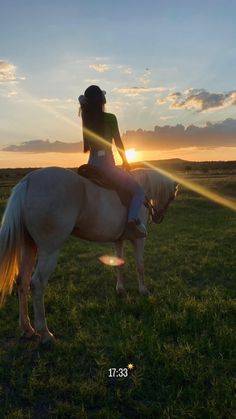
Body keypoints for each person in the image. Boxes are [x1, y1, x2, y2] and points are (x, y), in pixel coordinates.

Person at [78, 85, 146, 239]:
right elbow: (119, 143)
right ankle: (131, 222)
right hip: (106, 164)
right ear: (101, 100)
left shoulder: (86, 119)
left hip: (91, 164)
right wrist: (126, 162)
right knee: (139, 192)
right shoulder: (110, 118)